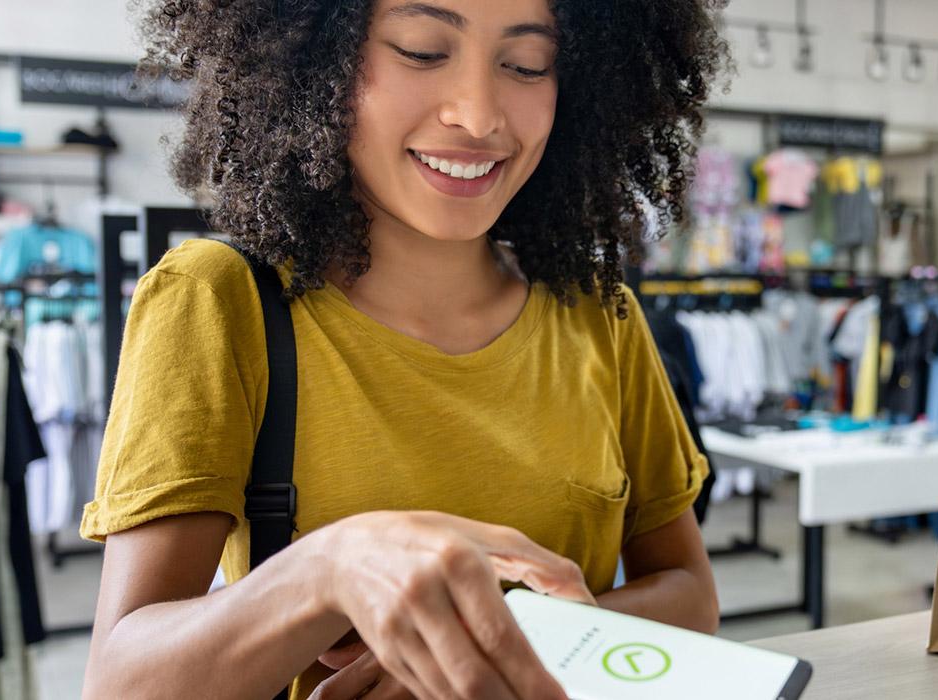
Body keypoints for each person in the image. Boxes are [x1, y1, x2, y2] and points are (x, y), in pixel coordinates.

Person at [79, 0, 729, 698]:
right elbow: (122, 683)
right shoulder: (219, 302)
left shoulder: (601, 316)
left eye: (525, 65)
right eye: (421, 50)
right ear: (307, 58)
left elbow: (691, 596)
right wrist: (330, 570)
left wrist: (500, 640)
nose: (478, 114)